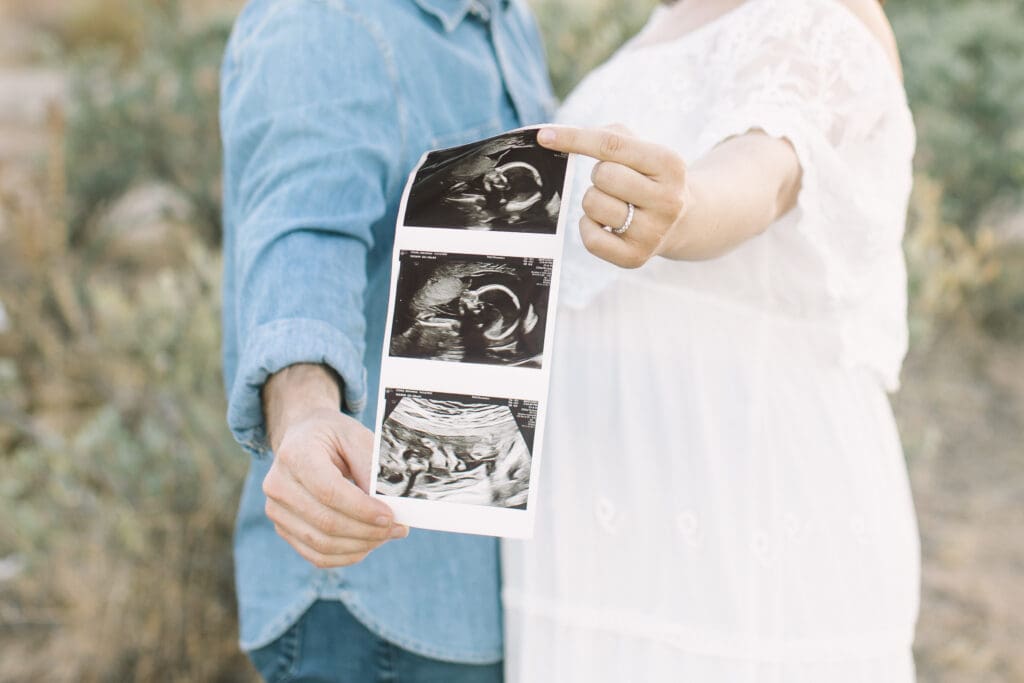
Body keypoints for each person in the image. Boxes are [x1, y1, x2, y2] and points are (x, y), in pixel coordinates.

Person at [501, 0, 921, 680]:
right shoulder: (661, 26)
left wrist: (686, 209)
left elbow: (765, 168)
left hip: (725, 522)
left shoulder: (818, 20)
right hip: (595, 531)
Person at [218, 0, 553, 680]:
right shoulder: (327, 20)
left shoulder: (507, 23)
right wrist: (306, 414)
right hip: (373, 609)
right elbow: (304, 235)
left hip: (496, 588)